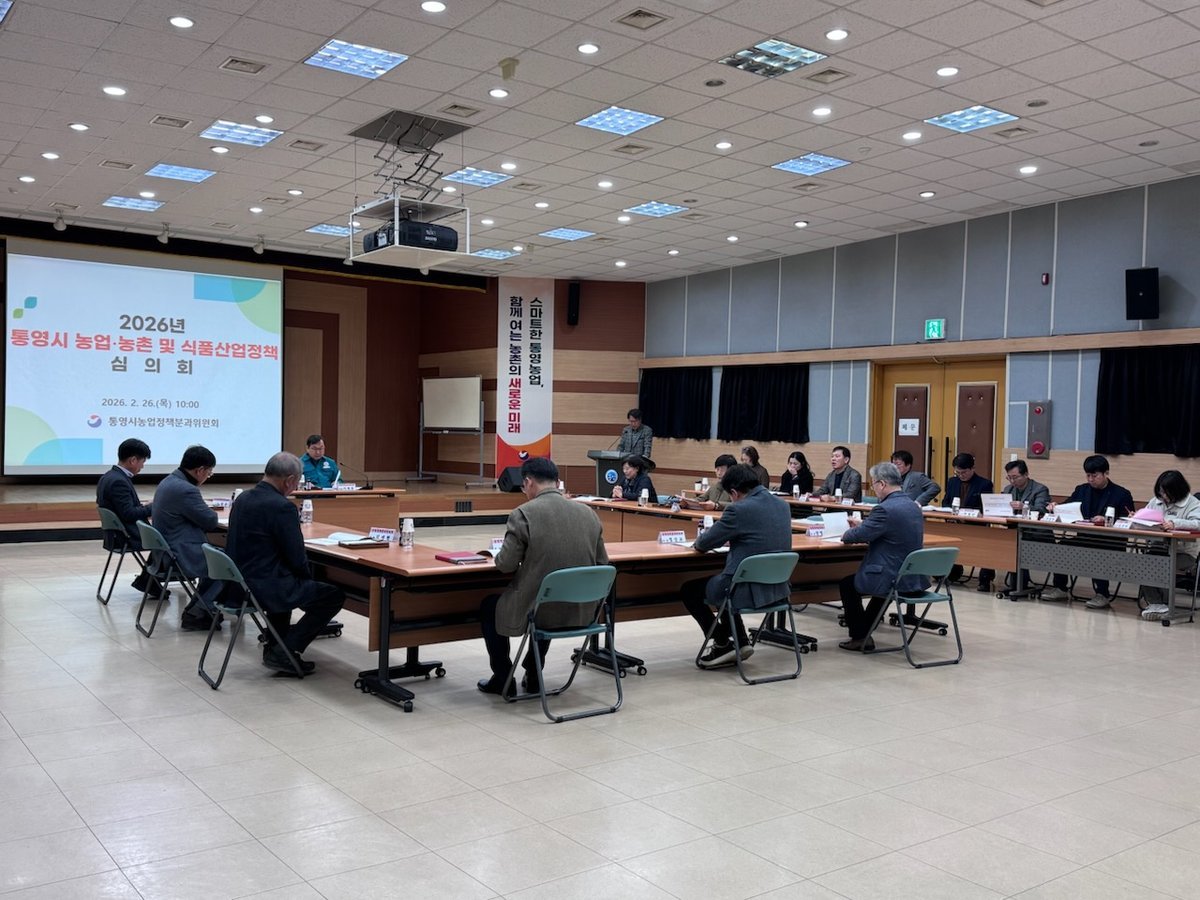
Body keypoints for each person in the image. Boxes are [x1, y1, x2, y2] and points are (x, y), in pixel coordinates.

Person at [478, 457, 608, 695]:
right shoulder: (588, 514)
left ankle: (503, 676)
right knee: (548, 593)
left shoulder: (523, 514)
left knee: (491, 605)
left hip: (540, 611)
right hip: (582, 611)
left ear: (528, 482)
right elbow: (602, 563)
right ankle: (534, 672)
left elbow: (505, 564)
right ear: (557, 482)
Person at [226, 452, 345, 674]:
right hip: (266, 587)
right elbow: (296, 555)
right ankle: (286, 650)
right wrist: (306, 579)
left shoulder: (243, 498)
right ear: (289, 480)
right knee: (332, 595)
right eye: (296, 483)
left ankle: (276, 647)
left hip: (238, 584)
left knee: (287, 579)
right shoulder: (281, 506)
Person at [681, 464, 792, 668]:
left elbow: (703, 544)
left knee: (691, 589)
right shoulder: (782, 505)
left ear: (733, 493)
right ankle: (740, 642)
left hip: (746, 590)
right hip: (778, 590)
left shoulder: (738, 509)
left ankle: (722, 641)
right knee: (725, 580)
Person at [837, 462, 929, 651]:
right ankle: (864, 633)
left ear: (882, 484)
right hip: (912, 577)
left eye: (873, 484)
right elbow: (890, 528)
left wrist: (849, 532)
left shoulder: (884, 509)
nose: (874, 489)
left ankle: (859, 636)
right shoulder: (913, 505)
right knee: (880, 591)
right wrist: (865, 525)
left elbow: (853, 537)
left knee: (848, 585)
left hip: (892, 577)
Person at [1042, 454, 1135, 608]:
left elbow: (1128, 520)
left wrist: (1107, 521)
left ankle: (1102, 594)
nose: (1091, 479)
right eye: (1088, 475)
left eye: (1095, 475)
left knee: (1097, 552)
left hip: (1110, 542)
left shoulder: (1121, 494)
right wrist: (1055, 507)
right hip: (1084, 537)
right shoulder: (1082, 490)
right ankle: (1060, 588)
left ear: (1106, 473)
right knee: (1061, 546)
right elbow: (1067, 507)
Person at [152, 445, 225, 630]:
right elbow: (210, 521)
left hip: (166, 552)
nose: (208, 476)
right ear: (199, 470)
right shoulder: (186, 489)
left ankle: (198, 609)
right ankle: (200, 610)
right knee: (228, 562)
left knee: (221, 555)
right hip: (180, 553)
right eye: (209, 473)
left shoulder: (169, 481)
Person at [96, 437, 161, 598]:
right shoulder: (119, 481)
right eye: (142, 462)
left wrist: (143, 507)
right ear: (133, 460)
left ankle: (149, 581)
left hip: (116, 534)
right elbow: (128, 514)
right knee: (167, 539)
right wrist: (153, 507)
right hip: (126, 536)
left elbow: (124, 509)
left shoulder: (109, 476)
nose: (142, 466)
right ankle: (150, 580)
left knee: (163, 539)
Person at [1138, 470, 1200, 621]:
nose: (1163, 496)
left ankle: (1161, 605)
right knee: (1141, 564)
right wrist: (1137, 518)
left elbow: (1197, 523)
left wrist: (1175, 523)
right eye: (1161, 492)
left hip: (1184, 553)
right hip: (1158, 548)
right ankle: (1157, 604)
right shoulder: (1156, 501)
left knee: (1159, 565)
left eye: (1167, 493)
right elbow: (1145, 516)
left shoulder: (1193, 503)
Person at [942, 452, 997, 592]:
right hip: (954, 525)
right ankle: (949, 572)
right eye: (958, 472)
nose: (961, 475)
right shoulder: (952, 482)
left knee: (985, 546)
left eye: (964, 472)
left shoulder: (984, 484)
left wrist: (967, 514)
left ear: (972, 469)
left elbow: (985, 508)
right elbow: (946, 502)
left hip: (975, 526)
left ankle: (985, 579)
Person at [1000, 459, 1051, 594]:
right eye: (1009, 477)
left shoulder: (1040, 489)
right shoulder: (1008, 489)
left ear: (1026, 474)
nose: (1012, 481)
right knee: (1002, 541)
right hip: (1016, 532)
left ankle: (1019, 584)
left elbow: (1042, 510)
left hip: (1036, 533)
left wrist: (1025, 507)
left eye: (1015, 477)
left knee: (1015, 544)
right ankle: (1018, 584)